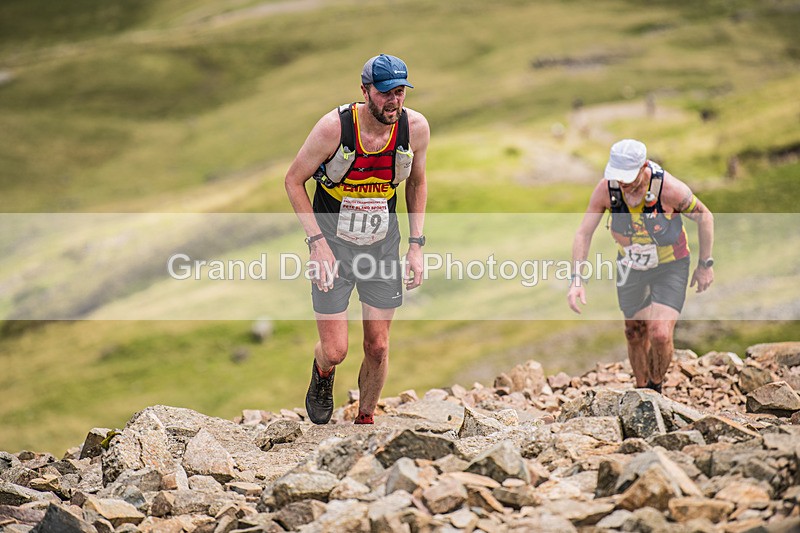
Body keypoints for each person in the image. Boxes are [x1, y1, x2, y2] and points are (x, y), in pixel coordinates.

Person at [285, 54, 430, 424]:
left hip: (382, 242)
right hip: (333, 241)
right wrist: (317, 244)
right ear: (365, 90)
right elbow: (293, 180)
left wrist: (416, 246)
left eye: (399, 92)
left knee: (378, 346)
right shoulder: (333, 128)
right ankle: (322, 373)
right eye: (384, 94)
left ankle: (365, 420)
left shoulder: (415, 128)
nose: (393, 101)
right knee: (335, 350)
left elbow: (416, 182)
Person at [567, 139, 714, 393]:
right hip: (631, 266)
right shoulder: (607, 190)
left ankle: (655, 389)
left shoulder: (669, 189)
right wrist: (577, 280)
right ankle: (641, 391)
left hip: (671, 265)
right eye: (618, 176)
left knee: (659, 333)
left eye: (628, 176)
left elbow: (705, 217)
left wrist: (705, 265)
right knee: (634, 332)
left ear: (644, 166)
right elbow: (583, 233)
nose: (622, 183)